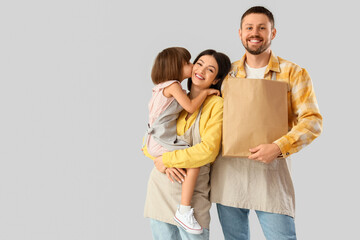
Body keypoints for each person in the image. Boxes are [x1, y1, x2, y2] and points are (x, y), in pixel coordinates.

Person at [210, 6, 323, 240]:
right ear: (240, 33)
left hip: (272, 176)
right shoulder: (225, 74)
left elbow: (312, 121)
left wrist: (279, 147)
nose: (255, 33)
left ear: (273, 33)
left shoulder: (293, 73)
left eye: (262, 28)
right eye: (249, 28)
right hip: (229, 175)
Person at [143, 49, 231, 240]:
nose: (200, 70)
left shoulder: (216, 105)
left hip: (192, 201)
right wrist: (161, 163)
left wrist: (165, 159)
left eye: (210, 70)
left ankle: (184, 211)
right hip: (161, 191)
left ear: (216, 80)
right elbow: (149, 140)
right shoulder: (176, 99)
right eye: (198, 63)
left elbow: (208, 151)